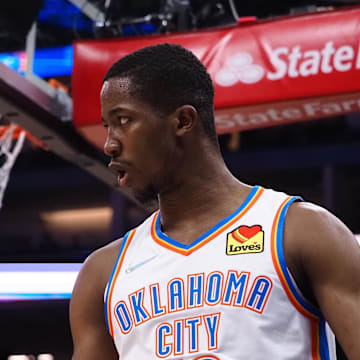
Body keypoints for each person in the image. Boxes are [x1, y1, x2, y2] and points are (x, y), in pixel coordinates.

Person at [70, 43, 360, 360]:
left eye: (123, 120)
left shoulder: (300, 230)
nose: (109, 144)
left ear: (182, 121)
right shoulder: (102, 274)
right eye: (106, 126)